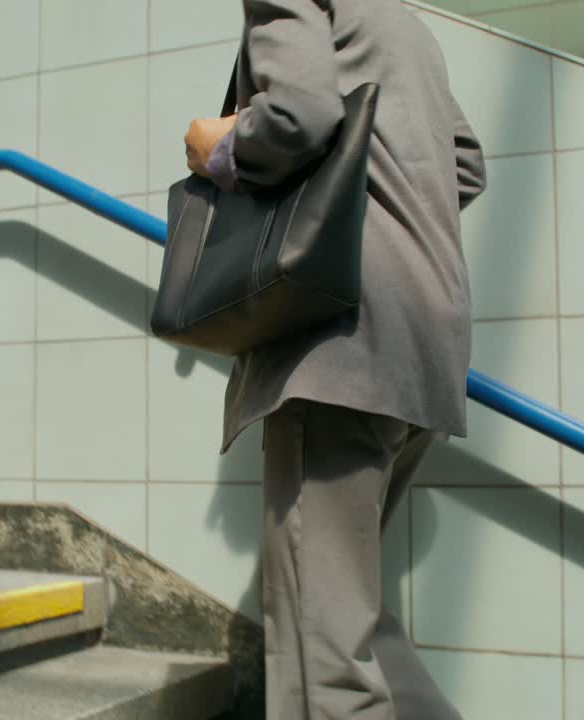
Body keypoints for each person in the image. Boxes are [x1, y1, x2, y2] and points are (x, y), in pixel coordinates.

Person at [184, 0, 486, 717]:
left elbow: (300, 115)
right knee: (363, 632)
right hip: (423, 346)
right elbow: (465, 165)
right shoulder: (404, 25)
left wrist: (218, 146)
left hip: (338, 344)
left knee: (324, 670)